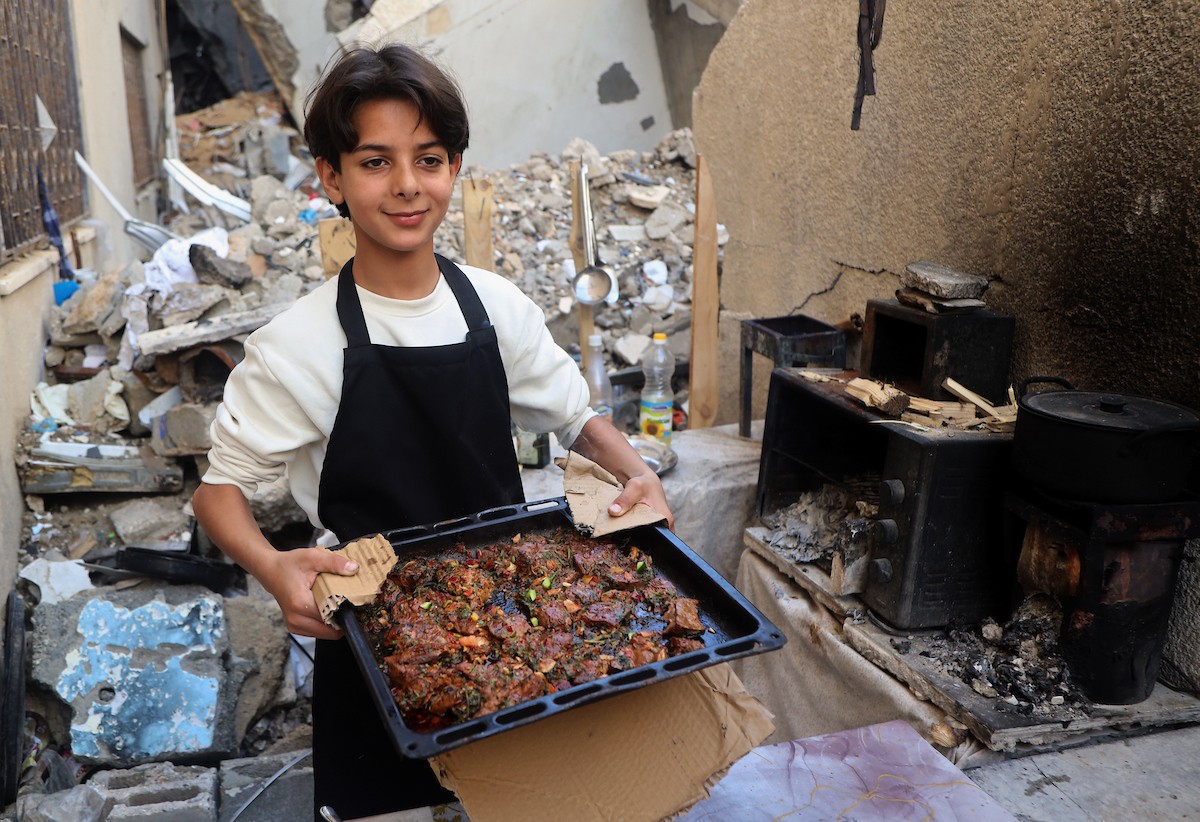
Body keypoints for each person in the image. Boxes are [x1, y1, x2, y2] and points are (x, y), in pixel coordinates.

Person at [191, 42, 673, 819]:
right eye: (375, 162)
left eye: (429, 159)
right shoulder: (297, 345)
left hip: (511, 621)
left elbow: (575, 416)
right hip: (371, 639)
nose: (408, 185)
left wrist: (636, 471)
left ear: (455, 168)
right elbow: (217, 494)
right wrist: (274, 566)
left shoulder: (497, 308)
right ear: (330, 178)